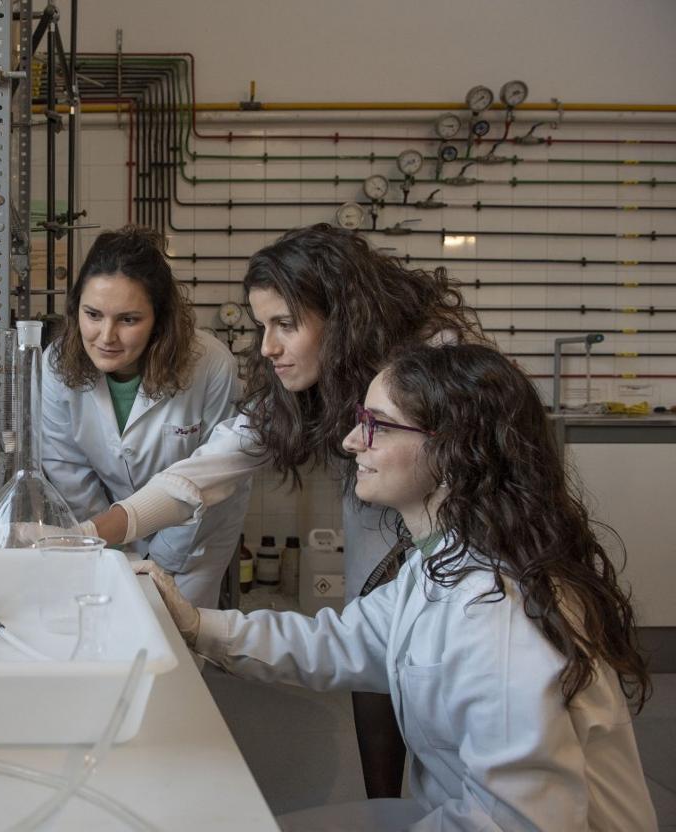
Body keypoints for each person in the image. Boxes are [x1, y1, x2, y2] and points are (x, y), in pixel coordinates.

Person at [138, 343, 657, 830]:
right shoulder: (439, 562)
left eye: (376, 425)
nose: (349, 441)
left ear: (455, 452)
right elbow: (339, 641)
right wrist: (197, 624)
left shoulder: (499, 616)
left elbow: (519, 822)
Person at [89, 223, 483, 797]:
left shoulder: (435, 365)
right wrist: (90, 531)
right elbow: (210, 466)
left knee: (445, 676)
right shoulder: (311, 379)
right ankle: (388, 807)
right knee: (375, 655)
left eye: (284, 325)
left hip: (462, 529)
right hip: (389, 514)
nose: (267, 346)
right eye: (262, 326)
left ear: (342, 320)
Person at [41, 226, 249, 608]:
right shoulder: (56, 364)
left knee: (178, 638)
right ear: (75, 309)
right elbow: (65, 465)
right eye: (93, 314)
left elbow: (208, 479)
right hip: (104, 527)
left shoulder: (211, 365)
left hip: (195, 535)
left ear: (159, 319)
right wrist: (105, 539)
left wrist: (160, 558)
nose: (106, 336)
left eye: (129, 320)